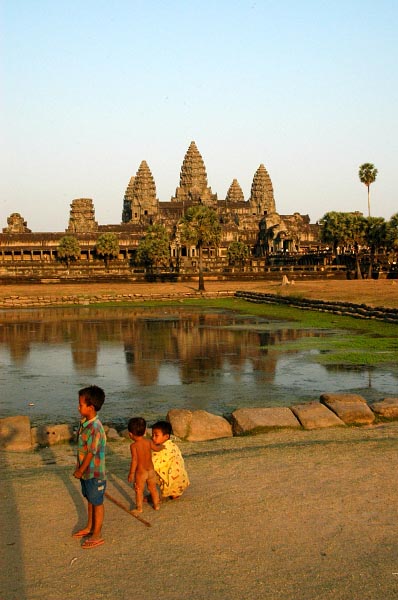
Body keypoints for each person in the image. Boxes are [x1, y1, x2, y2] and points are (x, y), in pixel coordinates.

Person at [72, 385, 106, 549]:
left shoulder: (95, 427)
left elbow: (91, 453)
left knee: (97, 502)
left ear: (91, 407)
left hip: (94, 472)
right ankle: (90, 526)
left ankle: (97, 534)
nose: (78, 407)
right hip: (86, 472)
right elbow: (82, 449)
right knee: (90, 500)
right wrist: (78, 467)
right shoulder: (85, 423)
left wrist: (80, 469)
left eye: (81, 404)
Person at [127, 417, 163, 512]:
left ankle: (139, 508)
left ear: (130, 434)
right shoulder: (148, 442)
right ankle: (156, 505)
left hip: (141, 472)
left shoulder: (133, 446)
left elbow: (134, 460)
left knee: (139, 490)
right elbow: (156, 449)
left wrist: (131, 473)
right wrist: (162, 446)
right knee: (153, 488)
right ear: (144, 432)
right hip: (151, 471)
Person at [151, 420, 190, 500]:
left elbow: (153, 464)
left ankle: (154, 494)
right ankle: (175, 493)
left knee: (147, 471)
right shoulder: (173, 445)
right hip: (182, 481)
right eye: (152, 435)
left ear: (166, 436)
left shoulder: (161, 449)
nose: (153, 438)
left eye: (156, 435)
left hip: (172, 482)